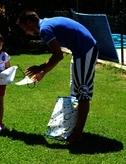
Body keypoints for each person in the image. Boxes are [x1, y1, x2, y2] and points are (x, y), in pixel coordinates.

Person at [16, 10, 99, 142]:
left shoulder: (44, 29)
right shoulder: (46, 23)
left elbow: (58, 55)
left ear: (29, 22)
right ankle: (74, 128)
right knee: (76, 92)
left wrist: (40, 67)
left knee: (83, 93)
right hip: (80, 52)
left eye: (24, 28)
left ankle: (78, 134)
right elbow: (57, 56)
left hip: (85, 50)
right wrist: (43, 72)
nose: (26, 32)